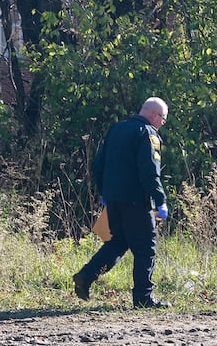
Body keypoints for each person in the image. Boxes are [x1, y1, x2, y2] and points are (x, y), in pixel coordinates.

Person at [73, 97, 171, 309]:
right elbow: (150, 172)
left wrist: (104, 193)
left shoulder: (117, 129)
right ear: (154, 115)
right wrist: (160, 201)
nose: (163, 123)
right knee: (146, 249)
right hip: (136, 202)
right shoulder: (148, 134)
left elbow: (98, 164)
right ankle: (143, 298)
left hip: (114, 200)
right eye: (163, 118)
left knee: (118, 243)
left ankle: (86, 276)